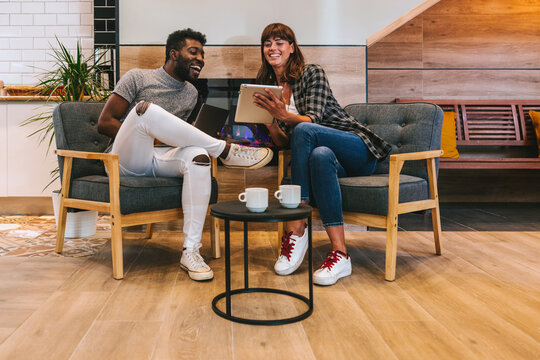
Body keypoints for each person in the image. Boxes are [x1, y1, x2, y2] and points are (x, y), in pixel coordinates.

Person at [97, 28, 273, 281]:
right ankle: (224, 152)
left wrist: (200, 136)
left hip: (162, 160)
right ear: (173, 54)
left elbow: (181, 135)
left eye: (203, 54)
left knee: (199, 155)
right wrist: (153, 136)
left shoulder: (191, 93)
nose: (201, 58)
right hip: (125, 160)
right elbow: (105, 123)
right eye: (194, 52)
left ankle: (191, 251)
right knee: (145, 111)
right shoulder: (137, 77)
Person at [253, 23, 392, 285]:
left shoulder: (311, 73)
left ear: (292, 48)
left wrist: (283, 114)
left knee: (305, 129)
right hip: (329, 158)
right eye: (267, 43)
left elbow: (312, 121)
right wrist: (269, 121)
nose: (273, 48)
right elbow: (284, 143)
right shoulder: (270, 88)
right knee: (319, 155)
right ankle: (340, 254)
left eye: (280, 42)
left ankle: (297, 223)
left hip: (357, 150)